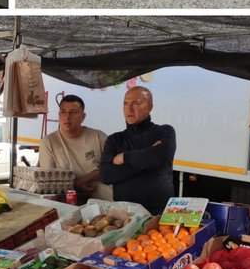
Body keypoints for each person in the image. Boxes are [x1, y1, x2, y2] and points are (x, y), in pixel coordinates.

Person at [98, 86, 176, 214]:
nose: (129, 108)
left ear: (150, 107)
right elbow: (106, 175)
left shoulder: (164, 131)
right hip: (123, 214)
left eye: (136, 103)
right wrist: (147, 159)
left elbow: (160, 157)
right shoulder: (115, 139)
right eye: (125, 103)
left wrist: (125, 158)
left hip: (158, 214)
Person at [38, 95, 113, 203]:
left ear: (83, 116)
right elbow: (49, 182)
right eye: (63, 112)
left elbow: (112, 170)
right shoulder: (48, 142)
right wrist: (79, 182)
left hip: (104, 202)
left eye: (73, 112)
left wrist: (87, 177)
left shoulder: (99, 137)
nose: (67, 117)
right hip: (68, 204)